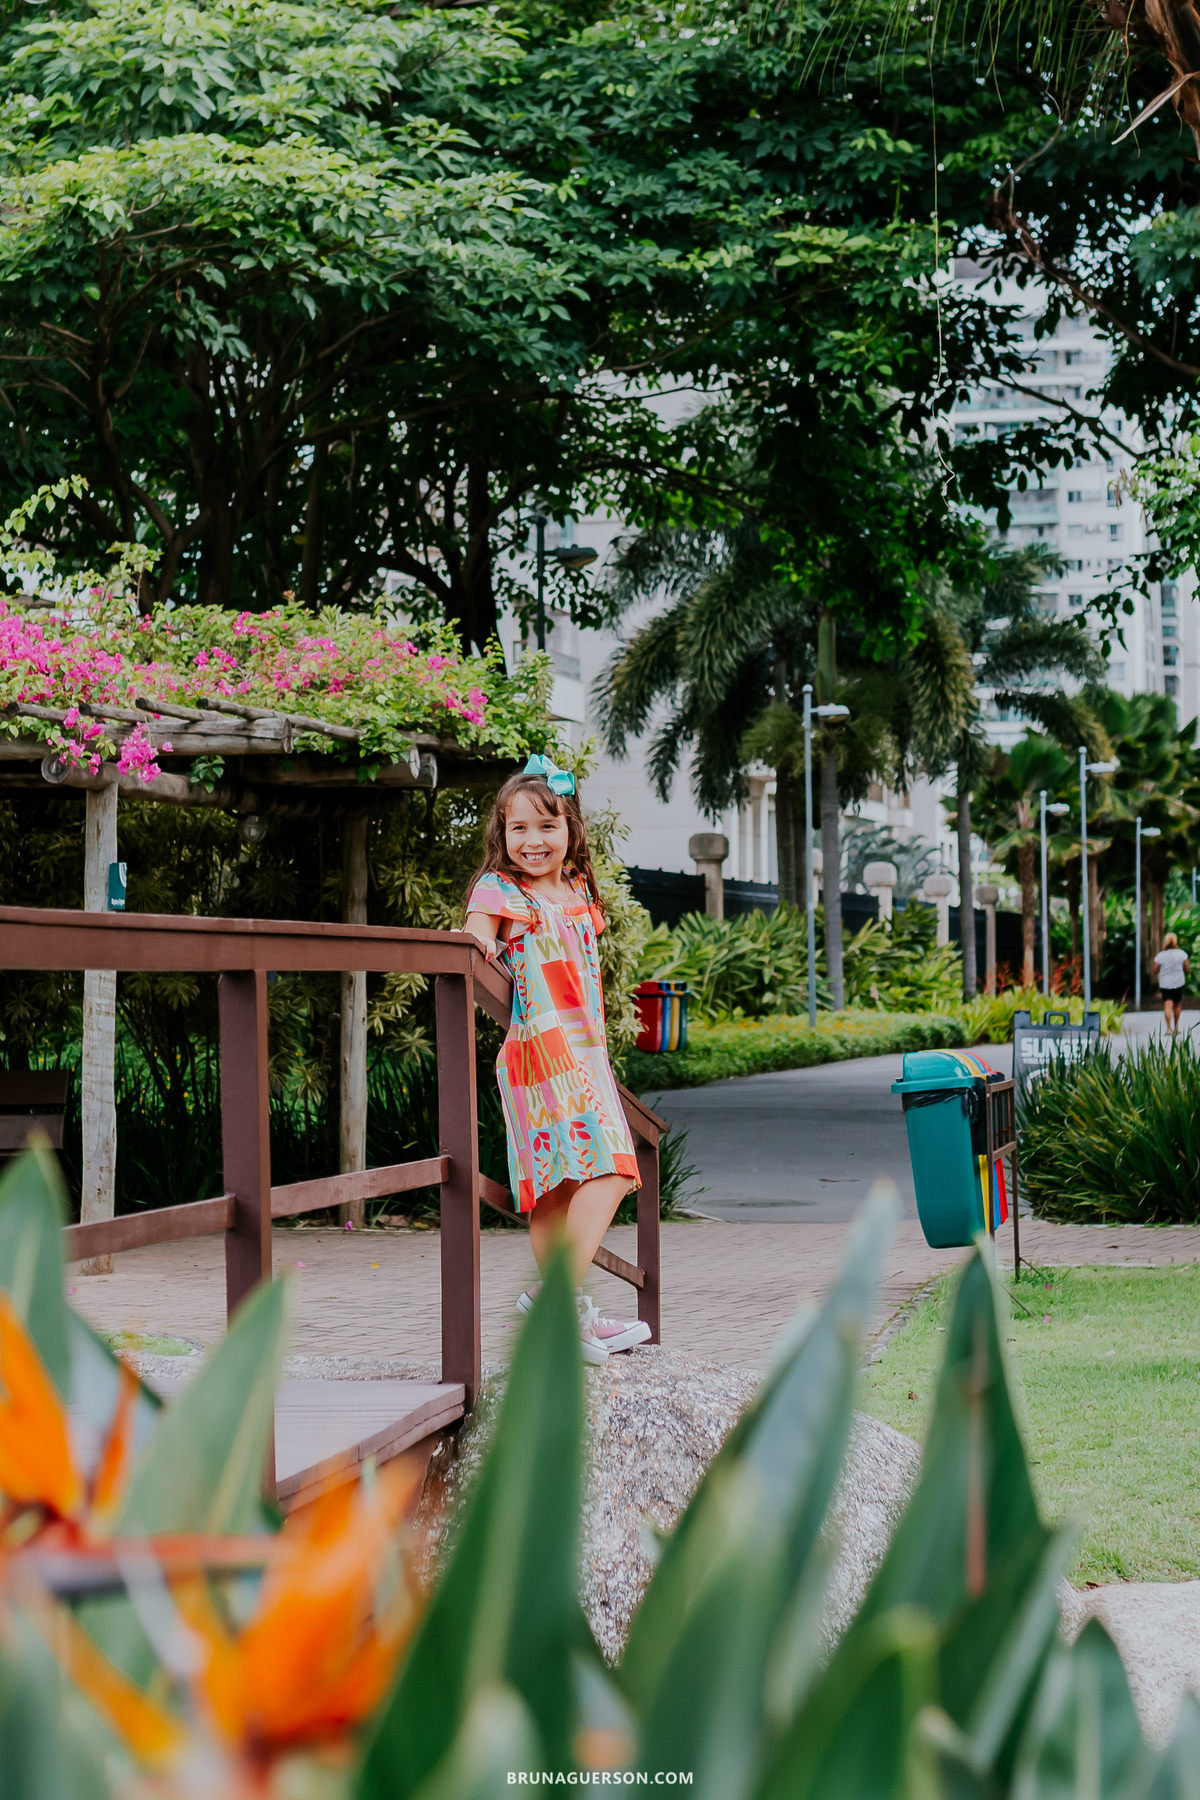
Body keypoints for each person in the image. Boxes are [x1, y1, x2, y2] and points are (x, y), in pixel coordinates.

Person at [464, 754, 650, 1364]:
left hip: (583, 1051)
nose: (532, 841)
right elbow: (474, 935)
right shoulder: (500, 889)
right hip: (540, 1049)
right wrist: (483, 939)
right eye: (518, 829)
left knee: (558, 1186)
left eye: (546, 827)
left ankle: (568, 1319)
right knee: (615, 1169)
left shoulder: (577, 893)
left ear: (570, 831)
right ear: (502, 834)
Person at [1153, 933, 1189, 1036]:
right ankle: (1176, 1027)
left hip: (1165, 983)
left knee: (1167, 1006)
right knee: (1177, 1005)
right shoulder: (1182, 954)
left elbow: (1155, 970)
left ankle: (1168, 1029)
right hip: (1178, 982)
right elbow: (1186, 969)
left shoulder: (1160, 955)